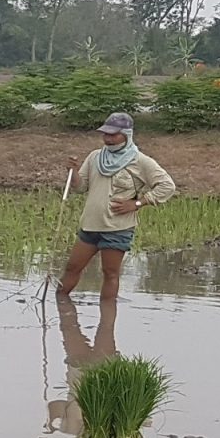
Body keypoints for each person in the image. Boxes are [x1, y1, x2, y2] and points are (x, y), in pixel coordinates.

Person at [57, 112, 176, 302]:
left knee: (110, 274)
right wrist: (72, 172)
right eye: (105, 134)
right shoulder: (95, 157)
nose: (108, 139)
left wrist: (137, 203)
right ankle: (60, 304)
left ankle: (107, 319)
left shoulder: (140, 160)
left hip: (117, 228)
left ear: (126, 135)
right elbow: (81, 188)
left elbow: (167, 186)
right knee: (72, 267)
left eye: (113, 135)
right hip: (90, 225)